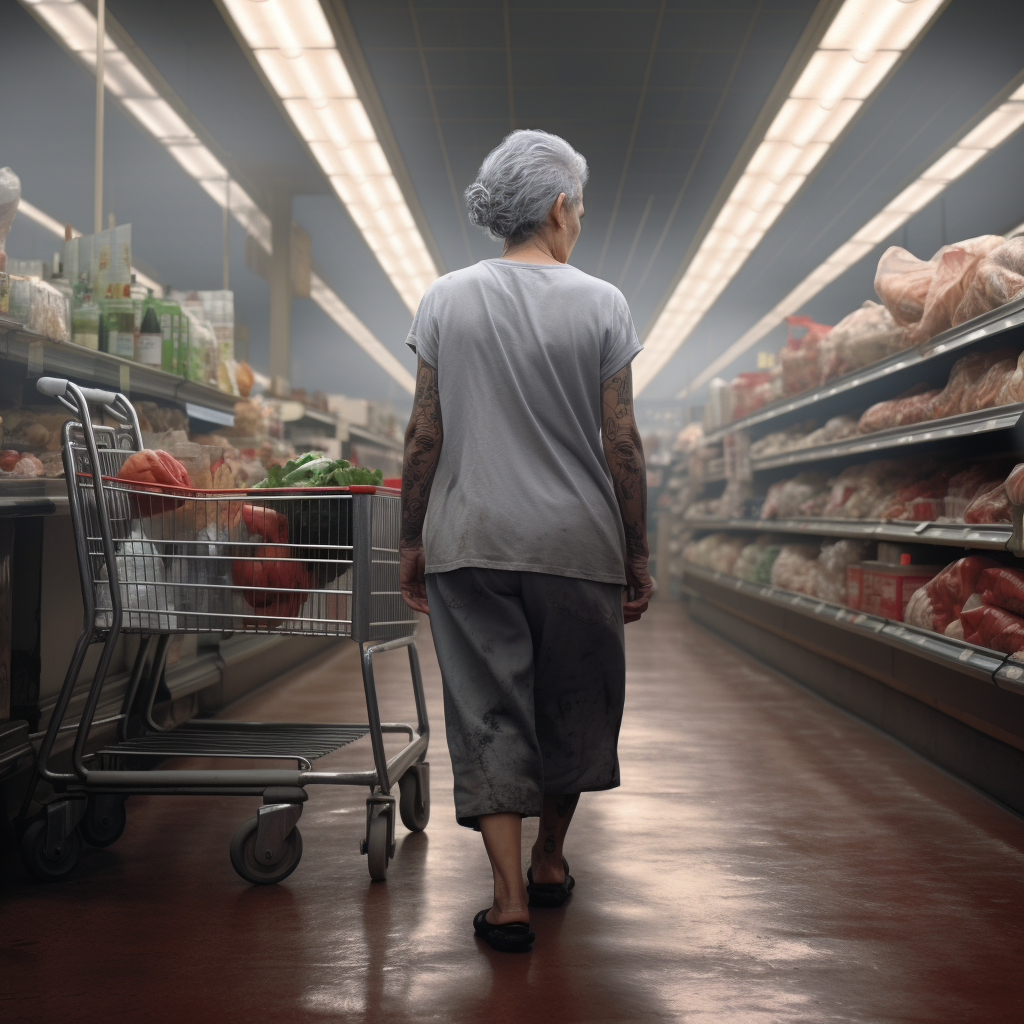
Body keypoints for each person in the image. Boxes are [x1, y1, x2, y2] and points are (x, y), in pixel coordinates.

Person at [399, 128, 652, 953]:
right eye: (578, 203)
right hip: (579, 544)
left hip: (469, 540)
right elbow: (623, 444)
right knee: (573, 703)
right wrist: (636, 553)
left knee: (488, 710)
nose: (579, 217)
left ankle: (505, 899)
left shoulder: (444, 298)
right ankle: (550, 859)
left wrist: (413, 539)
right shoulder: (603, 302)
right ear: (556, 207)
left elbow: (422, 435)